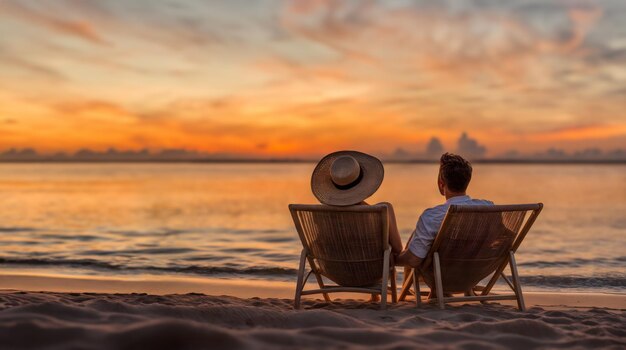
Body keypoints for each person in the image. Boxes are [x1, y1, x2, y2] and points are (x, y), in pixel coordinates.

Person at [395, 152, 493, 269]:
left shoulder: (432, 217)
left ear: (441, 184)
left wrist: (394, 259)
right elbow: (503, 238)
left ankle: (405, 288)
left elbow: (413, 260)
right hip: (476, 270)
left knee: (417, 244)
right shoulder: (488, 208)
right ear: (467, 182)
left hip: (442, 273)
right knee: (417, 238)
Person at [310, 150, 403, 256]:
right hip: (372, 269)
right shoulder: (383, 210)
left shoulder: (320, 215)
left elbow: (316, 247)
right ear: (364, 181)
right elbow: (398, 249)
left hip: (333, 270)